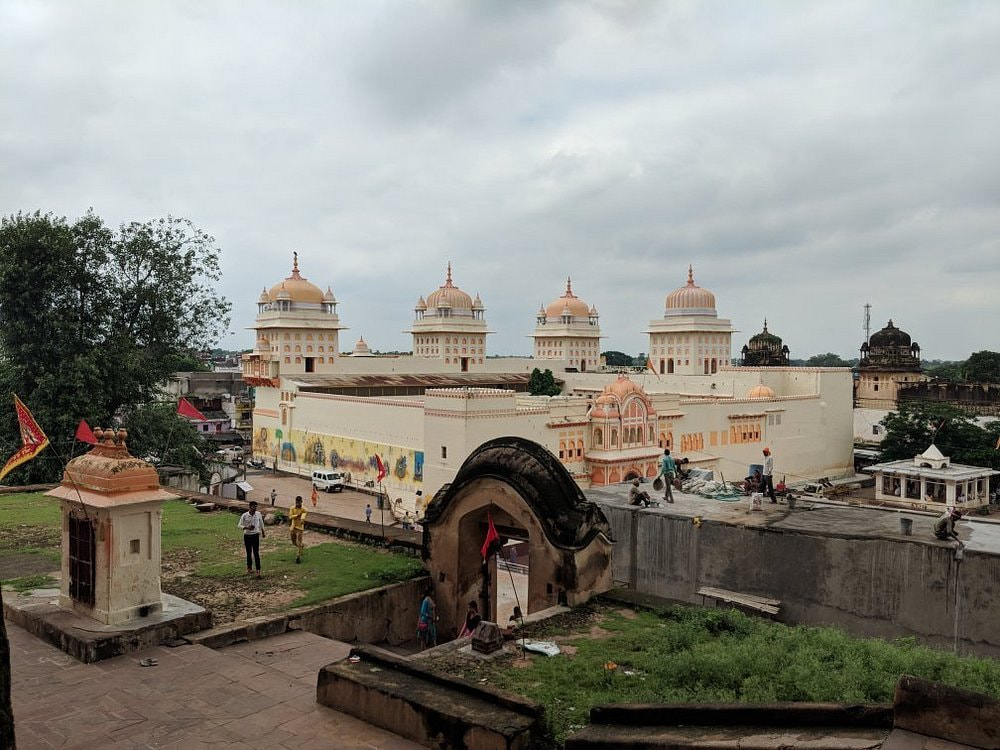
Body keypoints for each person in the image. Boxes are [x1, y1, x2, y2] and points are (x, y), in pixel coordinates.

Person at [238, 500, 266, 577]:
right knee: (248, 552)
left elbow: (261, 523)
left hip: (255, 535)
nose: (255, 508)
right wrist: (247, 527)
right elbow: (239, 525)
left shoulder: (258, 514)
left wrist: (263, 532)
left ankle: (258, 570)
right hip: (247, 535)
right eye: (254, 507)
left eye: (256, 507)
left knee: (256, 552)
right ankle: (249, 567)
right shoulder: (245, 515)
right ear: (250, 507)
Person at [289, 495, 307, 564]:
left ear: (301, 502)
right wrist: (297, 515)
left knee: (299, 541)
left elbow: (303, 516)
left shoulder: (304, 509)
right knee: (293, 542)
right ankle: (300, 547)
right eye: (297, 502)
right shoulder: (292, 508)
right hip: (293, 526)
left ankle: (298, 556)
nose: (298, 503)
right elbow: (290, 517)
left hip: (300, 527)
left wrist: (302, 519)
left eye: (299, 502)